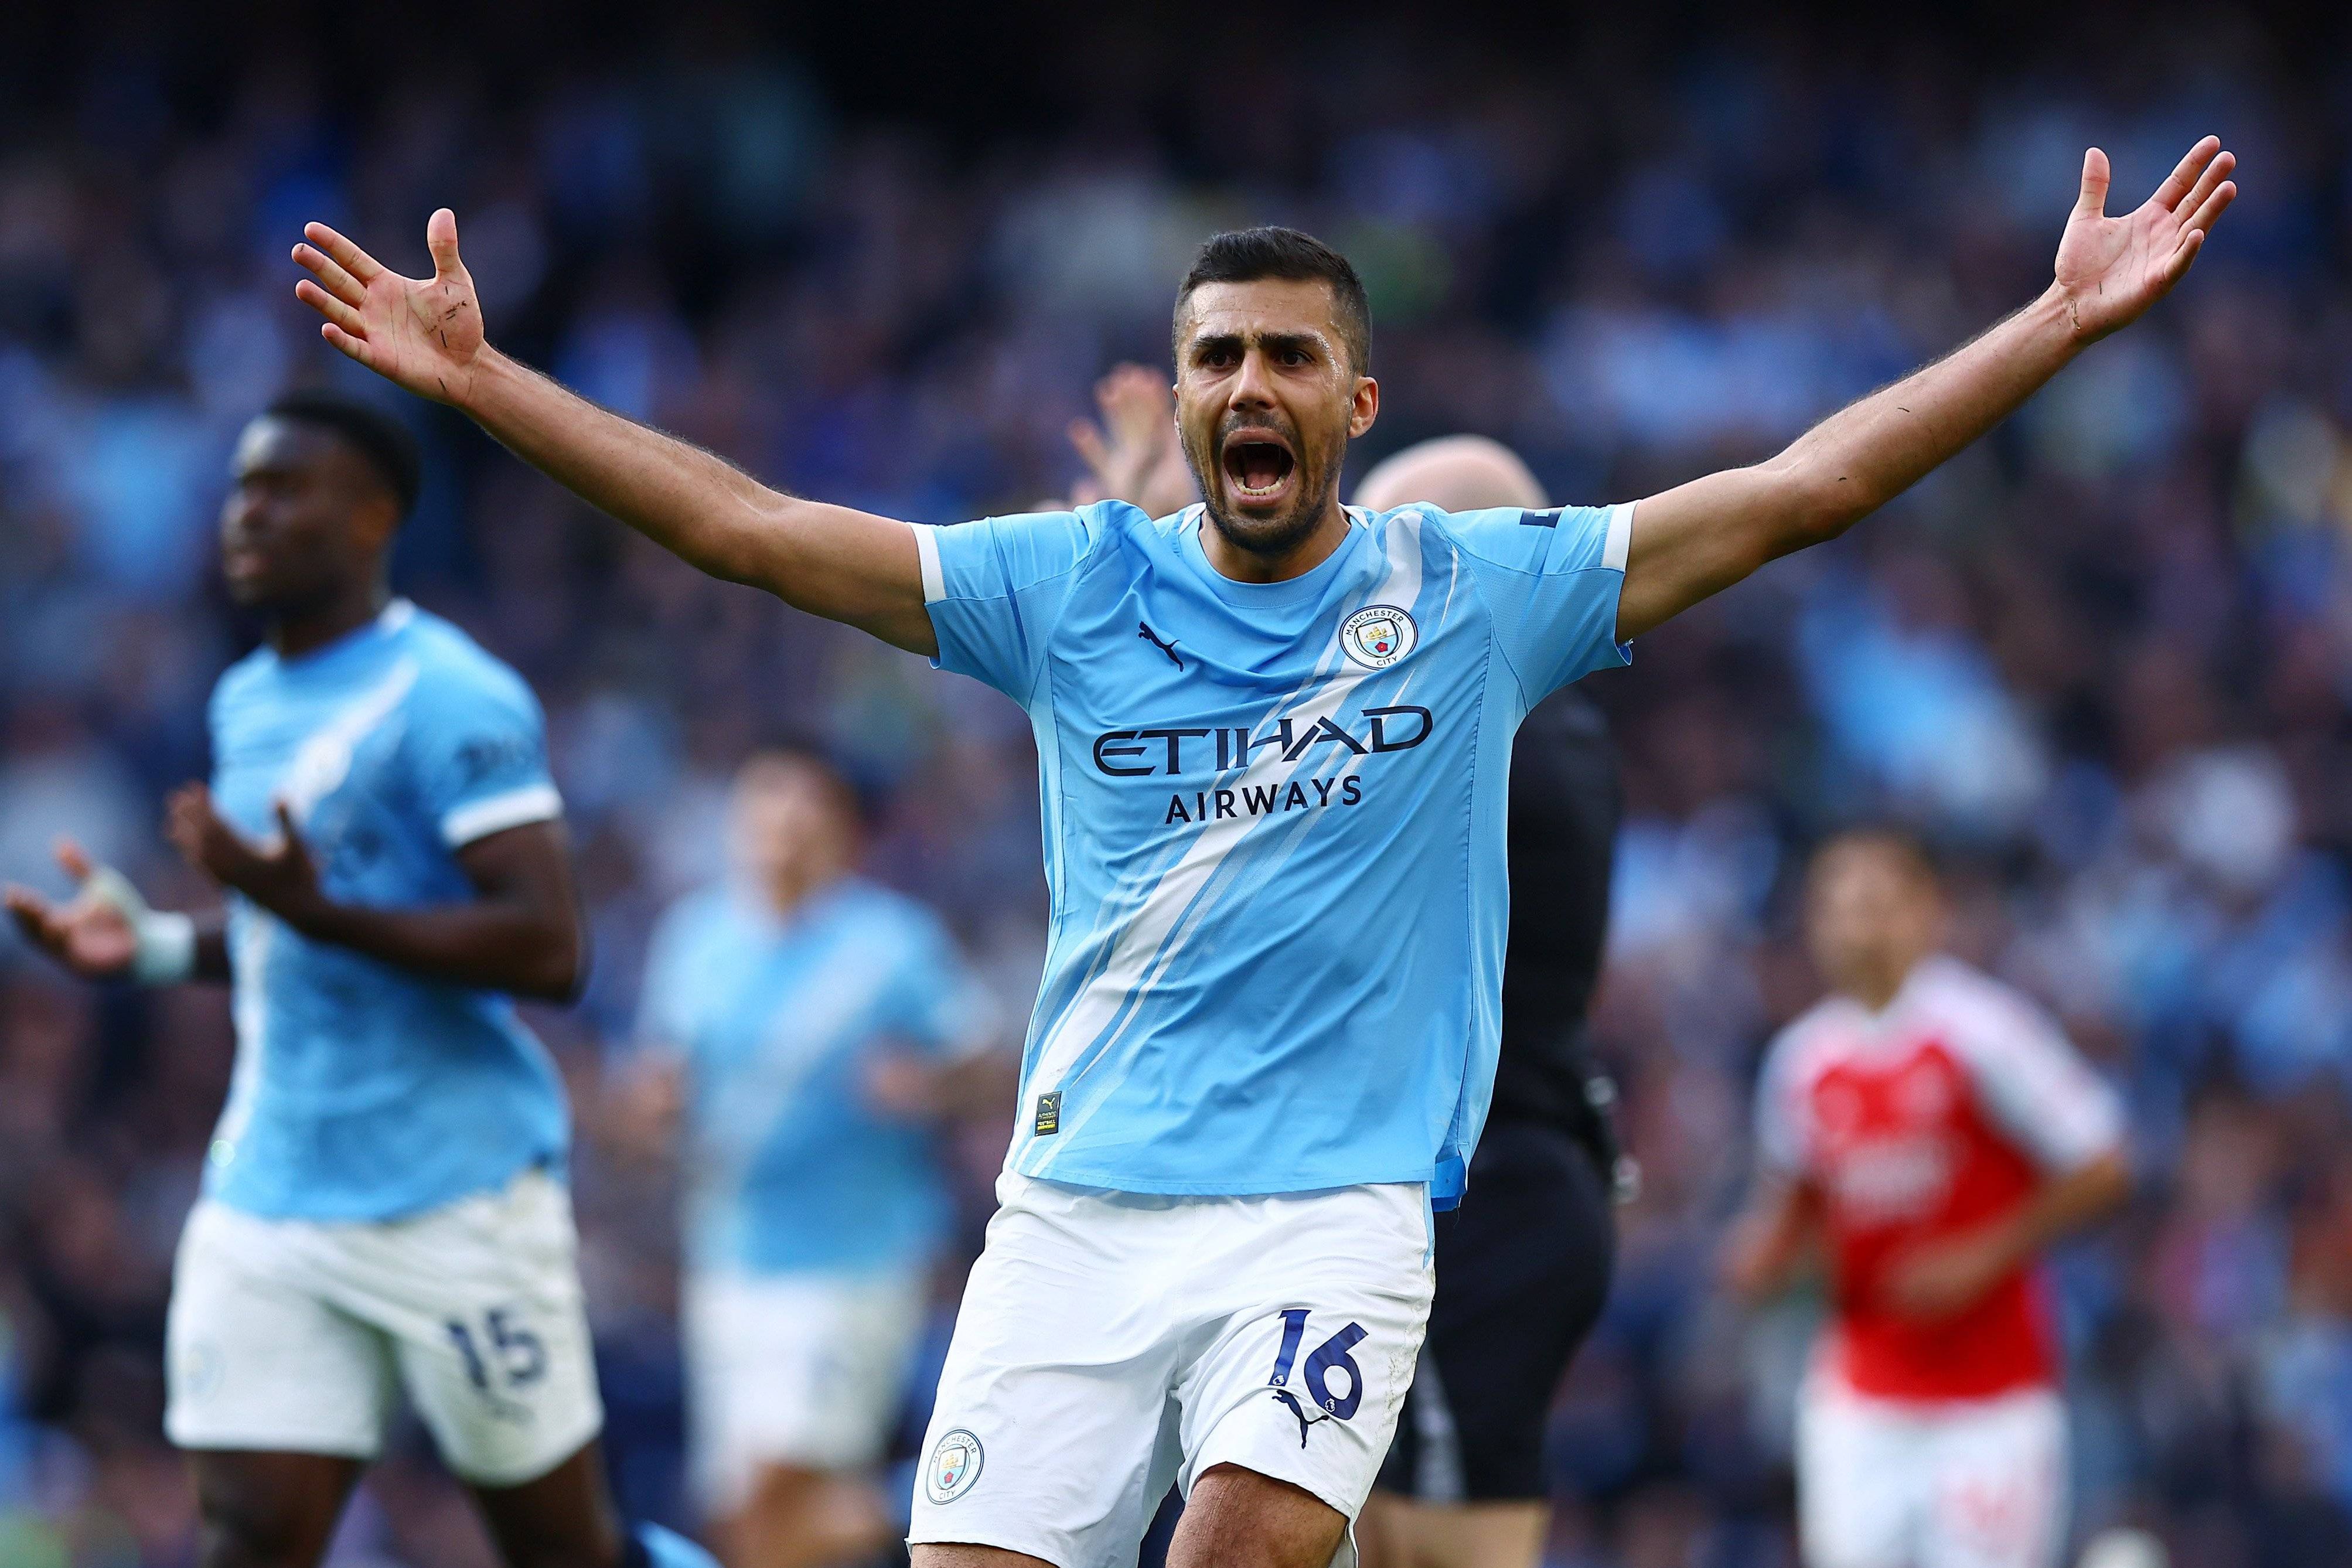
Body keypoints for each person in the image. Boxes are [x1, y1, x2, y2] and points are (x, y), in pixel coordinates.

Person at [287, 134, 2232, 1568]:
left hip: (1334, 1211)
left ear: (1353, 402)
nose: (1244, 388)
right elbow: (746, 527)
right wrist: (482, 387)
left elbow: (1807, 486)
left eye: (1286, 359)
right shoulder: (1066, 584)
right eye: (1216, 356)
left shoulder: (1476, 591)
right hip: (1073, 1212)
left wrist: (2051, 321)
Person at [3, 392, 714, 1568]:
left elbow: (549, 948)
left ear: (375, 517)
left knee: (561, 1550)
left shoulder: (451, 696)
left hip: (456, 1192)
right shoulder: (247, 702)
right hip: (275, 1190)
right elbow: (297, 940)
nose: (249, 514)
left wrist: (310, 907)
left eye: (286, 489)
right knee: (249, 1537)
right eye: (242, 488)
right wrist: (161, 949)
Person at [1349, 439, 1629, 1568]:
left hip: (1482, 1201)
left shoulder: (1481, 738)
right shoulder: (1558, 727)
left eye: (1382, 552)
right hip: (1495, 1183)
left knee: (1440, 1549)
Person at [622, 744, 1004, 1568]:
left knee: (781, 1488)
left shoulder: (891, 943)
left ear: (840, 831)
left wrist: (927, 1087)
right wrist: (652, 1103)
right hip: (727, 1254)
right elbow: (656, 1078)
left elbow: (985, 1062)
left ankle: (974, 1493)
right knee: (740, 1516)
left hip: (853, 1257)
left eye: (804, 808)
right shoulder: (696, 938)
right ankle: (937, 1491)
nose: (782, 827)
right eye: (764, 803)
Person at [1722, 829, 2132, 1568]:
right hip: (1860, 1395)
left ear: (1926, 912)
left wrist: (1984, 1252)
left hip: (1991, 1398)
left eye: (1876, 905)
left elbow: (2103, 1162)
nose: (1857, 929)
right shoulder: (1802, 1063)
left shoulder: (1983, 1030)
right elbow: (1795, 1211)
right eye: (1838, 909)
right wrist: (1761, 1262)